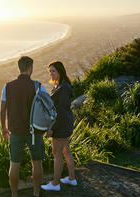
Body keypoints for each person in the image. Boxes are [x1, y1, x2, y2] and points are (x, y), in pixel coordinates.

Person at [0, 56, 48, 197]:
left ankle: (14, 195)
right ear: (30, 68)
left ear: (19, 68)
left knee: (14, 164)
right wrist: (47, 127)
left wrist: (4, 128)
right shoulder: (38, 86)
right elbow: (47, 107)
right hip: (35, 131)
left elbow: (2, 109)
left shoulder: (7, 86)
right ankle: (36, 193)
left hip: (15, 131)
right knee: (37, 163)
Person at [41, 61, 77, 191]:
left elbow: (60, 111)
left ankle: (55, 184)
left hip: (61, 125)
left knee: (57, 153)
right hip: (64, 123)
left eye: (53, 71)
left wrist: (52, 128)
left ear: (60, 71)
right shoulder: (60, 86)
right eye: (49, 71)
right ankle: (72, 178)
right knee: (65, 150)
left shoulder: (63, 88)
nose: (51, 73)